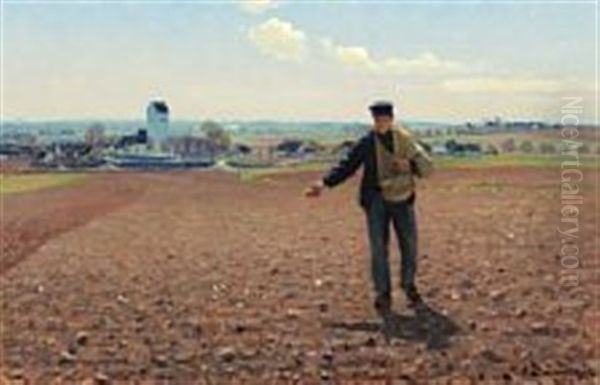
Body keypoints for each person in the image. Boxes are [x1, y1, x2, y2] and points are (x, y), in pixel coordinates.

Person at [305, 101, 433, 313]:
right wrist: (324, 183)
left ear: (391, 119)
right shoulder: (367, 142)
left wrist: (409, 166)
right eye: (377, 119)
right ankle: (383, 293)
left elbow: (426, 166)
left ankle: (408, 286)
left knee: (409, 246)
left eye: (384, 119)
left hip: (403, 199)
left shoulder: (405, 140)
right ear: (373, 120)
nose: (381, 123)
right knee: (378, 248)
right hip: (376, 201)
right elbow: (347, 165)